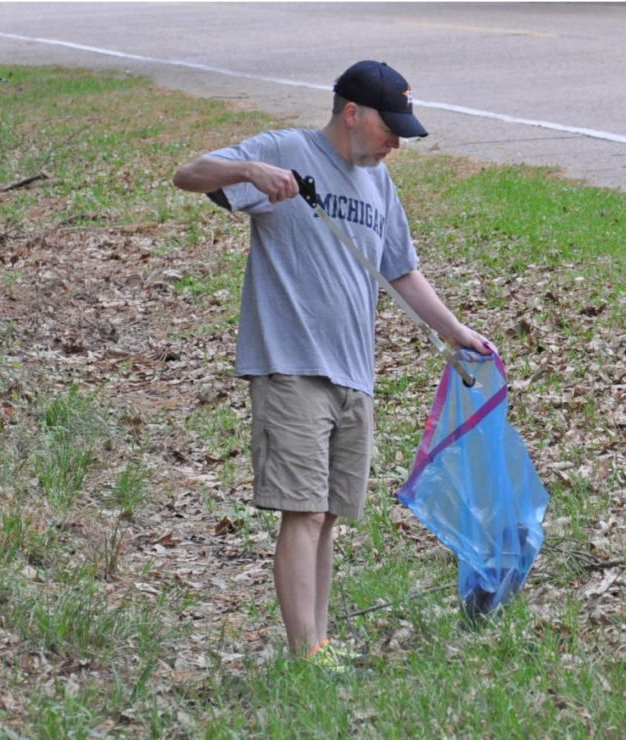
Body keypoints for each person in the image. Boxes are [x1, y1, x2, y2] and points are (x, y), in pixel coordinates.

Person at [172, 61, 494, 664]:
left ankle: (319, 645)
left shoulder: (379, 184)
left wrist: (455, 333)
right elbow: (187, 174)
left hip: (355, 372)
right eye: (390, 128)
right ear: (353, 113)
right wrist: (249, 169)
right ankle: (306, 657)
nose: (397, 141)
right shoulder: (284, 151)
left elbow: (400, 270)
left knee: (329, 518)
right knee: (305, 509)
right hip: (290, 361)